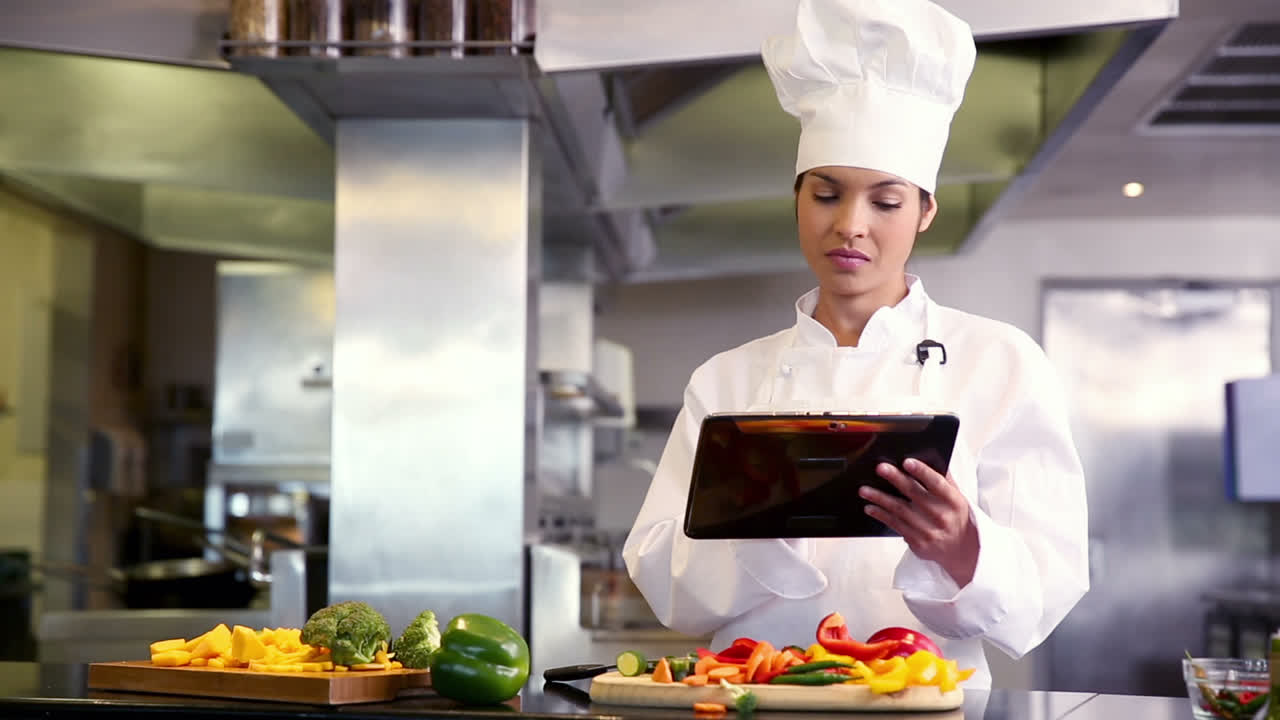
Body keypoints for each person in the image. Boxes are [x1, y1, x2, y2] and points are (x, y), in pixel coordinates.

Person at [622, 0, 1089, 689]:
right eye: (827, 193)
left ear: (926, 209)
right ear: (796, 197)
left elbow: (1049, 586)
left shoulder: (1002, 363)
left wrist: (967, 550)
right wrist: (761, 528)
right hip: (756, 699)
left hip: (933, 705)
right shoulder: (725, 382)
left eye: (886, 201)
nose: (850, 225)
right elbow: (667, 589)